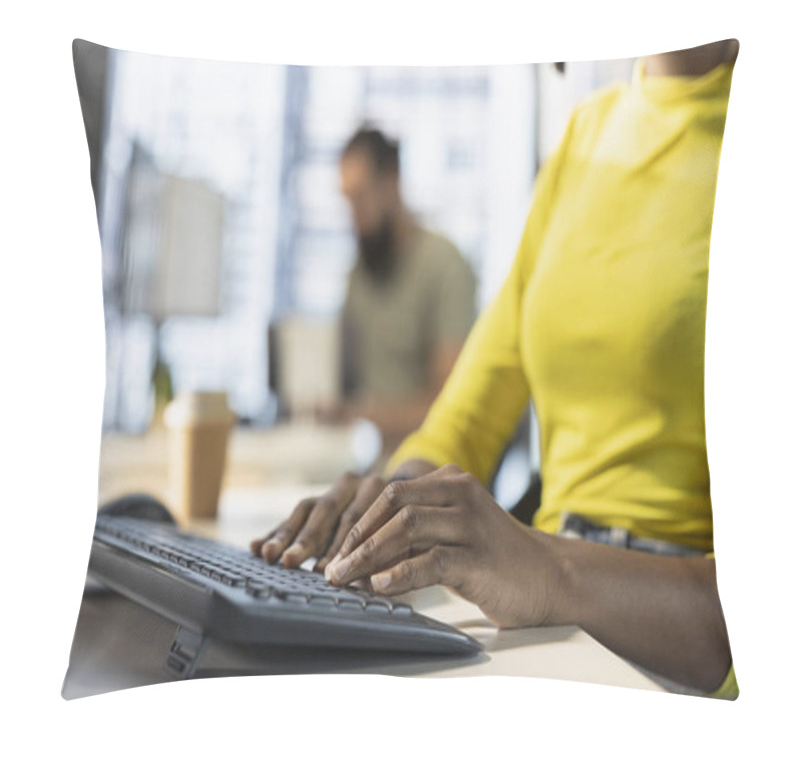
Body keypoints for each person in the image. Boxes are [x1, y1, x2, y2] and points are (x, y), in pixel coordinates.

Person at [251, 40, 740, 698]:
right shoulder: (584, 136)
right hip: (556, 621)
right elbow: (469, 415)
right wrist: (391, 506)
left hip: (665, 643)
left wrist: (547, 569)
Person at [319, 126, 477, 450]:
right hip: (361, 457)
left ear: (392, 182)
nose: (354, 215)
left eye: (360, 197)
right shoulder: (358, 275)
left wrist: (364, 415)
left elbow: (449, 406)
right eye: (347, 201)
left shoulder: (445, 266)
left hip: (421, 465)